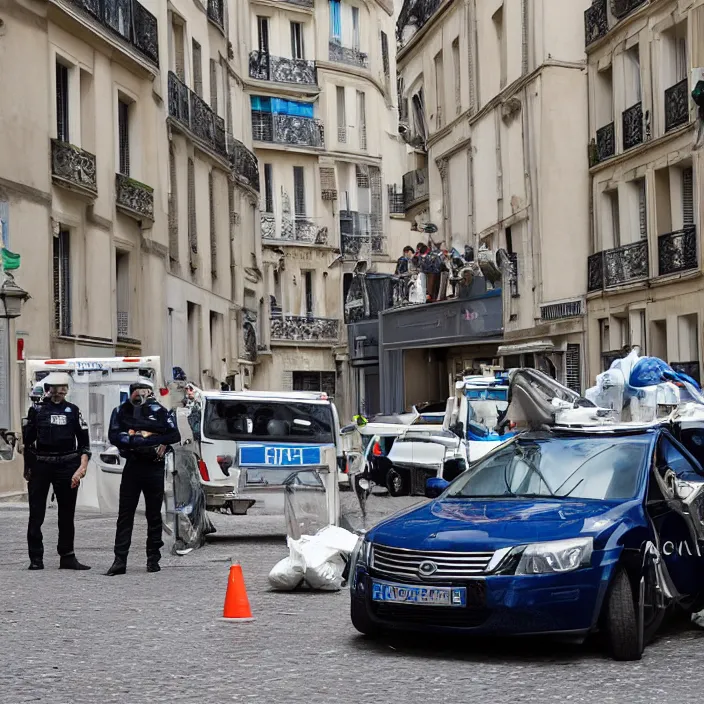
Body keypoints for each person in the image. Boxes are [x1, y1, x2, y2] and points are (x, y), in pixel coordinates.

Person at [106, 380, 181, 576]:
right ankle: (119, 560)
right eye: (138, 393)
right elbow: (114, 436)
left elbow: (174, 435)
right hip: (133, 466)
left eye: (145, 392)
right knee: (125, 515)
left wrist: (151, 439)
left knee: (154, 515)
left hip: (154, 467)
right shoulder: (121, 411)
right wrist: (136, 441)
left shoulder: (160, 411)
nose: (142, 396)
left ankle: (153, 559)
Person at [23, 372, 91, 571]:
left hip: (67, 465)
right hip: (41, 464)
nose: (58, 392)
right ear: (48, 389)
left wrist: (82, 468)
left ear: (67, 390)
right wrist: (27, 467)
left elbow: (84, 443)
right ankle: (36, 558)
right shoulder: (37, 410)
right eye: (54, 388)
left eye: (62, 388)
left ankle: (67, 556)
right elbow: (27, 442)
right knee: (36, 513)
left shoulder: (73, 411)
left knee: (67, 513)